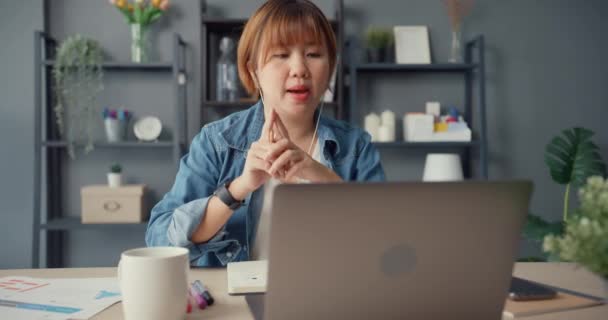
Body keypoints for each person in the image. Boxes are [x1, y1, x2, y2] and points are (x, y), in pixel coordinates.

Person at [145, 0, 385, 267]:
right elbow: (159, 238)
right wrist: (239, 188)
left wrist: (322, 177)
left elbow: (386, 245)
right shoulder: (217, 142)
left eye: (314, 54)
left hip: (331, 300)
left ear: (330, 68)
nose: (299, 69)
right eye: (281, 55)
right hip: (235, 303)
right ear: (253, 71)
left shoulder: (356, 147)